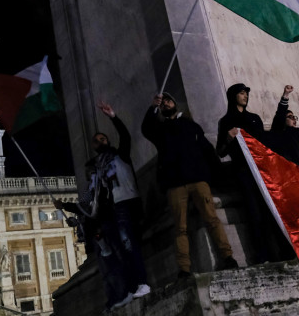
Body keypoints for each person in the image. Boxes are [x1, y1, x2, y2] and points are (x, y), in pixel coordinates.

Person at [142, 92, 237, 278]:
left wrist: (217, 175)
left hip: (198, 180)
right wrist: (153, 107)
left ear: (176, 105)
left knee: (212, 219)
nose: (166, 103)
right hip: (175, 185)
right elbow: (146, 129)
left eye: (169, 100)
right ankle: (184, 268)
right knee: (180, 228)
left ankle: (228, 257)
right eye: (163, 103)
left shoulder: (191, 126)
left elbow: (207, 150)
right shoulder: (160, 130)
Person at [217, 83, 292, 264]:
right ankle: (262, 255)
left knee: (272, 210)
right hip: (243, 172)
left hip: (263, 170)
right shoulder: (226, 121)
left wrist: (284, 99)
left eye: (246, 93)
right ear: (233, 96)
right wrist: (228, 138)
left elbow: (268, 140)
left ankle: (285, 252)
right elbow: (220, 151)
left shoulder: (254, 118)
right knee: (254, 214)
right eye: (241, 93)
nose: (245, 96)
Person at [89, 102, 149, 299]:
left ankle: (142, 283)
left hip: (128, 202)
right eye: (97, 140)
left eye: (103, 138)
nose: (101, 141)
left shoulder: (119, 155)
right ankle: (132, 287)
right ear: (94, 146)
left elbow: (125, 136)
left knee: (129, 244)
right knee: (123, 249)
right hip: (115, 207)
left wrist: (113, 117)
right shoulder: (97, 167)